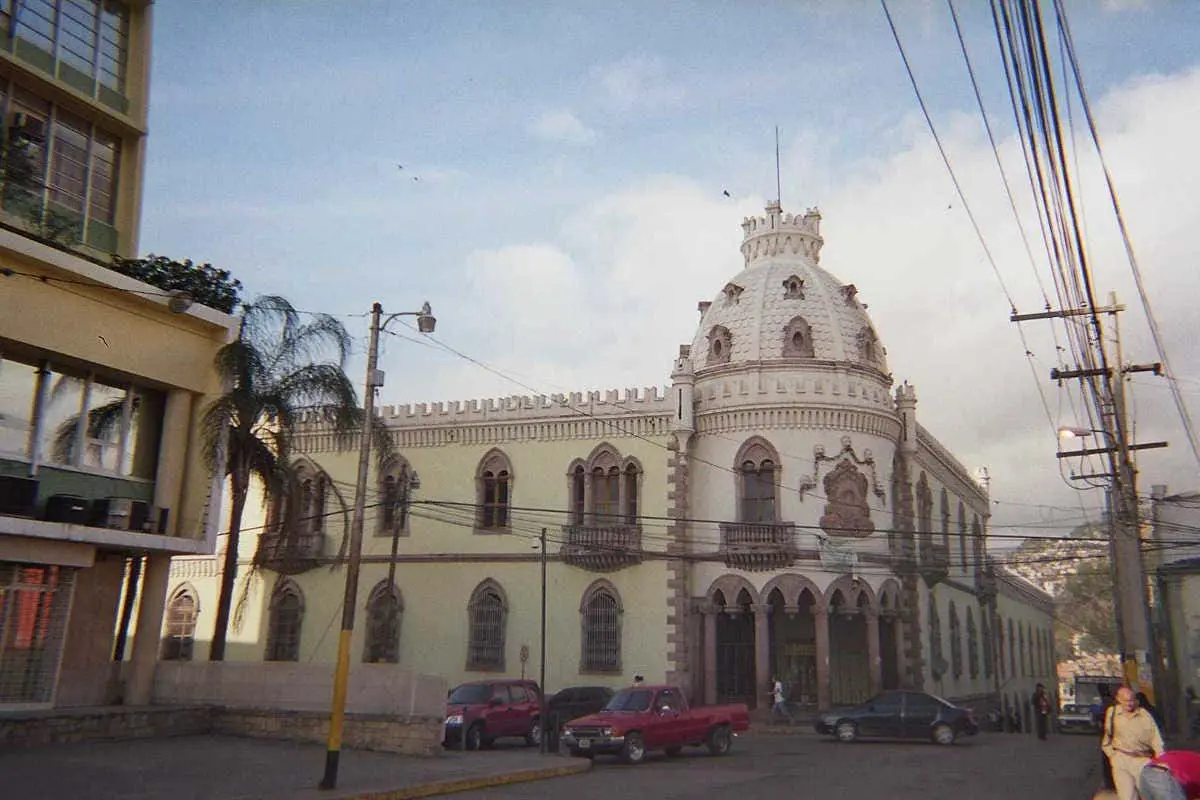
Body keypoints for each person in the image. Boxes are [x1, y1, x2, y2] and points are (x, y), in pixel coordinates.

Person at [1102, 686, 1166, 800]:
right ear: (1118, 699)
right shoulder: (1112, 713)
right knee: (1127, 796)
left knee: (1148, 794)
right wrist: (1113, 756)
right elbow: (1107, 736)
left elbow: (1156, 738)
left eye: (1132, 700)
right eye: (1126, 700)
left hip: (1143, 760)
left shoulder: (1144, 714)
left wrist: (1161, 760)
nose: (1129, 703)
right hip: (1121, 758)